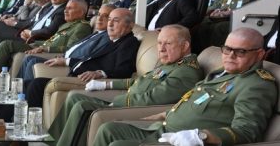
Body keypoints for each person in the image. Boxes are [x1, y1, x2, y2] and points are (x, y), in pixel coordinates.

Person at [94, 27, 277, 146]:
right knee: (108, 129)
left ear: (260, 54)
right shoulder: (221, 73)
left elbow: (247, 132)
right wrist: (166, 114)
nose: (230, 55)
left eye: (241, 52)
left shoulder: (257, 84)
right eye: (227, 49)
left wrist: (202, 136)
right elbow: (197, 100)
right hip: (165, 127)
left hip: (184, 140)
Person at [48, 24, 204, 146]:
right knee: (75, 98)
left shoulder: (186, 71)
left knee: (82, 106)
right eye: (159, 43)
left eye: (168, 43)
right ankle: (53, 142)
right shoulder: (171, 62)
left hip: (134, 106)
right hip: (127, 100)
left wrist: (116, 101)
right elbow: (140, 81)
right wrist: (106, 85)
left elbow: (152, 99)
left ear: (184, 46)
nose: (161, 49)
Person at [24, 8, 140, 108]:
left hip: (92, 81)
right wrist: (66, 61)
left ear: (129, 26)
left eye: (116, 21)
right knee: (27, 84)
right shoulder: (113, 41)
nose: (109, 24)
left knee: (37, 84)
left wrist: (101, 73)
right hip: (78, 74)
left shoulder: (129, 43)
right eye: (109, 20)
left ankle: (32, 125)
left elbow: (124, 70)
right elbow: (88, 59)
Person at [0, 0, 72, 88]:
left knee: (4, 43)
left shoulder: (62, 12)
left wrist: (30, 33)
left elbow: (49, 31)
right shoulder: (49, 8)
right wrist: (24, 31)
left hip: (38, 41)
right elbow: (33, 22)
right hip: (29, 36)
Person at [17, 4, 115, 82]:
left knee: (31, 61)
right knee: (29, 58)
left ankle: (22, 96)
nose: (100, 18)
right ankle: (17, 91)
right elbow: (54, 41)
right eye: (99, 14)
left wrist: (64, 59)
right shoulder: (95, 33)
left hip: (71, 65)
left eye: (105, 16)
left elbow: (87, 56)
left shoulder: (89, 29)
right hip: (62, 57)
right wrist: (36, 43)